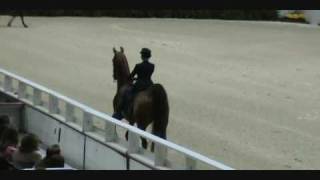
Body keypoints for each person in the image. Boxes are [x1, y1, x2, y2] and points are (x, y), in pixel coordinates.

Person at [112, 48, 155, 120]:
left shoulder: (138, 66)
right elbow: (146, 76)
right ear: (149, 56)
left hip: (139, 85)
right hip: (149, 85)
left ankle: (120, 111)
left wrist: (133, 78)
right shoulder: (152, 66)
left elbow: (130, 76)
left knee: (126, 93)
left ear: (142, 56)